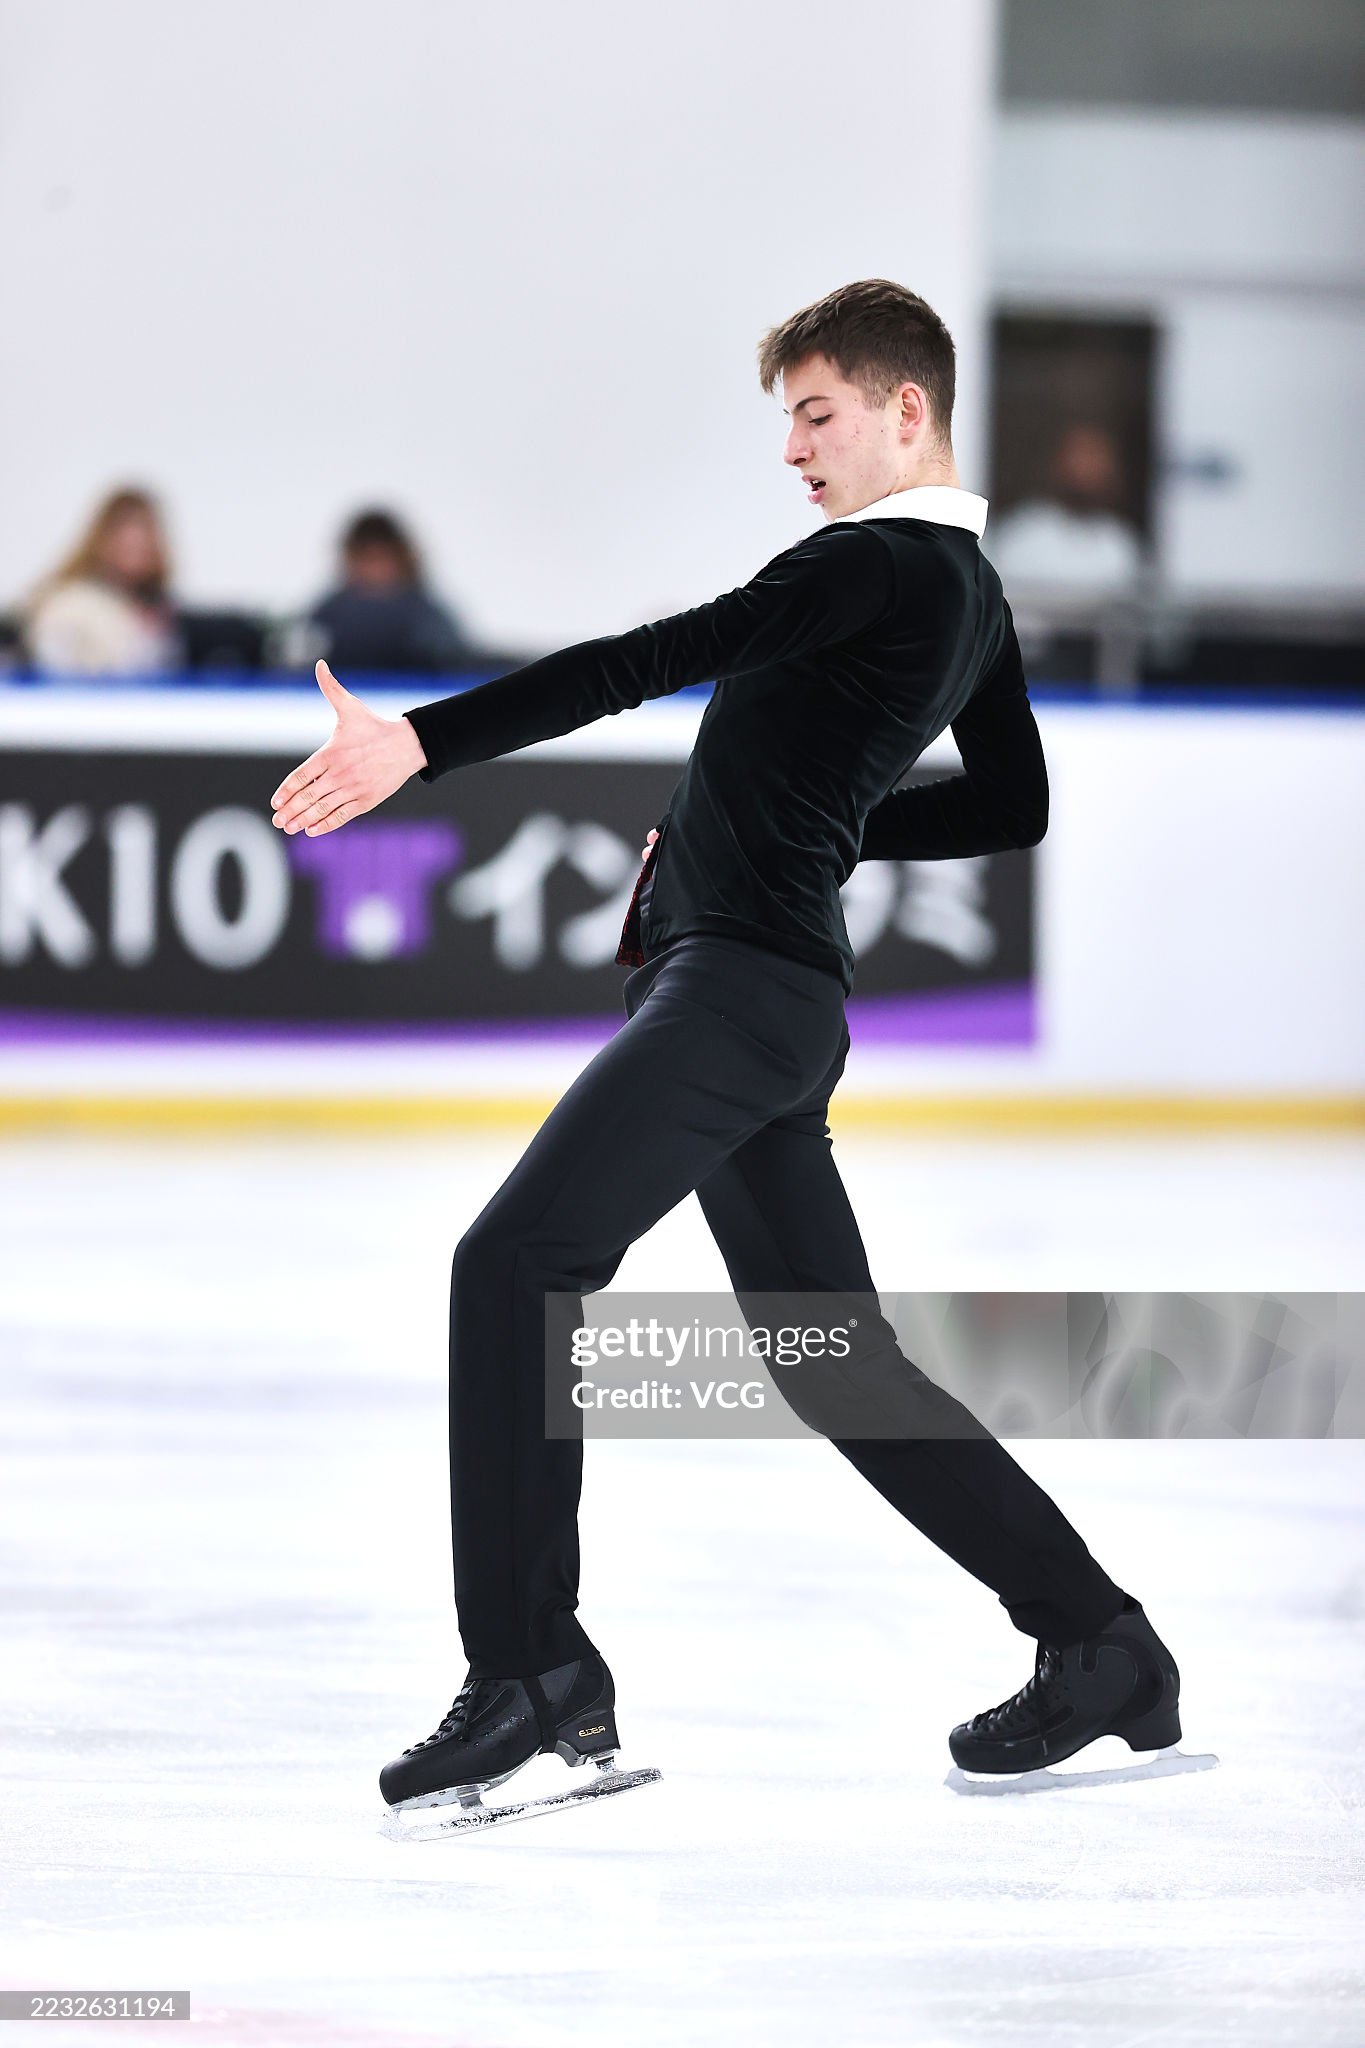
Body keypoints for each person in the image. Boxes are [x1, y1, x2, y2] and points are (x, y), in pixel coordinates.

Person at [268, 279, 1186, 1819]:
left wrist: (419, 742)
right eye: (789, 423)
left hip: (740, 992)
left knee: (514, 1264)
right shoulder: (966, 589)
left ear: (907, 409)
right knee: (837, 1362)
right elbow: (1006, 804)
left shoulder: (869, 560)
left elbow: (649, 656)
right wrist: (792, 830)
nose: (795, 450)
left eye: (817, 415)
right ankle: (1101, 1645)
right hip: (763, 992)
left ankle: (532, 1672)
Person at [24, 486, 181, 675]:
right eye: (127, 545)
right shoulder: (70, 604)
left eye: (144, 545)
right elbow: (55, 673)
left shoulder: (158, 610)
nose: (137, 546)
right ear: (102, 541)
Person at [304, 507, 478, 674]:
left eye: (381, 559)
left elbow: (459, 663)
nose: (374, 570)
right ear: (351, 561)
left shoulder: (427, 619)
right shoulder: (328, 616)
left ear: (401, 561)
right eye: (367, 559)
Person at [986, 422, 1143, 592]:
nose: (1088, 470)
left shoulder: (1119, 543)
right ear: (1057, 462)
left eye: (1097, 458)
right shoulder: (1023, 534)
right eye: (1080, 457)